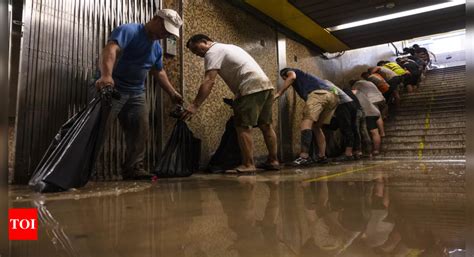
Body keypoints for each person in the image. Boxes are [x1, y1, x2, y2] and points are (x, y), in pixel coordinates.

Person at [95, 9, 184, 180]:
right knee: (100, 129)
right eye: (165, 29)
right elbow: (110, 49)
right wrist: (106, 75)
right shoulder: (130, 30)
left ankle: (133, 168)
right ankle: (85, 167)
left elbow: (159, 72)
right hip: (114, 88)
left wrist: (172, 92)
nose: (165, 34)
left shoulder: (157, 48)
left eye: (168, 33)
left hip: (136, 92)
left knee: (141, 130)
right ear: (156, 19)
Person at [183, 34, 279, 173]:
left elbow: (209, 80)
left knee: (243, 127)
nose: (198, 54)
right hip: (265, 86)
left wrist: (194, 105)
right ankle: (273, 160)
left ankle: (248, 164)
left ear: (205, 42)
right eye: (194, 53)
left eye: (197, 49)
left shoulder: (212, 51)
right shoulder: (228, 47)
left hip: (250, 87)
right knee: (266, 126)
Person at [277, 68, 339, 165]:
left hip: (318, 94)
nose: (285, 80)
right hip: (333, 97)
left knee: (306, 123)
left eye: (284, 78)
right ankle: (322, 156)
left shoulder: (290, 71)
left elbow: (292, 77)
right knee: (316, 127)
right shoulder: (306, 78)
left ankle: (304, 157)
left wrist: (279, 92)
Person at [325, 80, 357, 162]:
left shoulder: (326, 85)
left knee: (346, 129)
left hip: (343, 105)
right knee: (349, 129)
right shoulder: (332, 86)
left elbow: (334, 96)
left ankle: (348, 154)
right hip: (351, 105)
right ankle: (350, 152)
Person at [351, 86, 382, 156]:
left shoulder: (353, 93)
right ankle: (375, 150)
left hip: (368, 113)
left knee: (372, 132)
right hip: (374, 111)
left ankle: (373, 150)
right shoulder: (361, 92)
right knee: (374, 132)